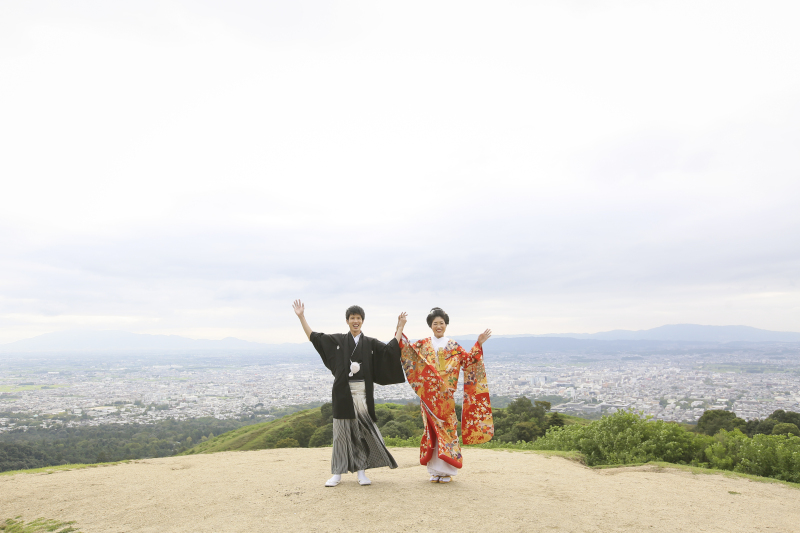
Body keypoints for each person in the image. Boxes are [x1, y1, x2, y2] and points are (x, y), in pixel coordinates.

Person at [293, 300, 407, 487]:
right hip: (342, 393)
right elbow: (314, 337)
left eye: (358, 318)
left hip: (362, 393)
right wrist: (301, 317)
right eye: (352, 318)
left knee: (361, 432)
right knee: (340, 433)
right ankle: (337, 473)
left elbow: (389, 350)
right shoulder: (338, 341)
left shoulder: (369, 343)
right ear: (347, 321)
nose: (356, 321)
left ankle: (361, 472)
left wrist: (400, 327)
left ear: (362, 321)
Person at [399, 307, 493, 483]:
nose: (438, 326)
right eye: (435, 323)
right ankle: (434, 470)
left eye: (441, 323)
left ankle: (447, 471)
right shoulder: (422, 344)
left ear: (446, 325)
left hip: (446, 397)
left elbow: (469, 361)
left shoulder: (454, 346)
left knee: (448, 431)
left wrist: (478, 343)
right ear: (430, 326)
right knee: (431, 432)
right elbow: (407, 352)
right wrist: (400, 327)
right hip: (428, 397)